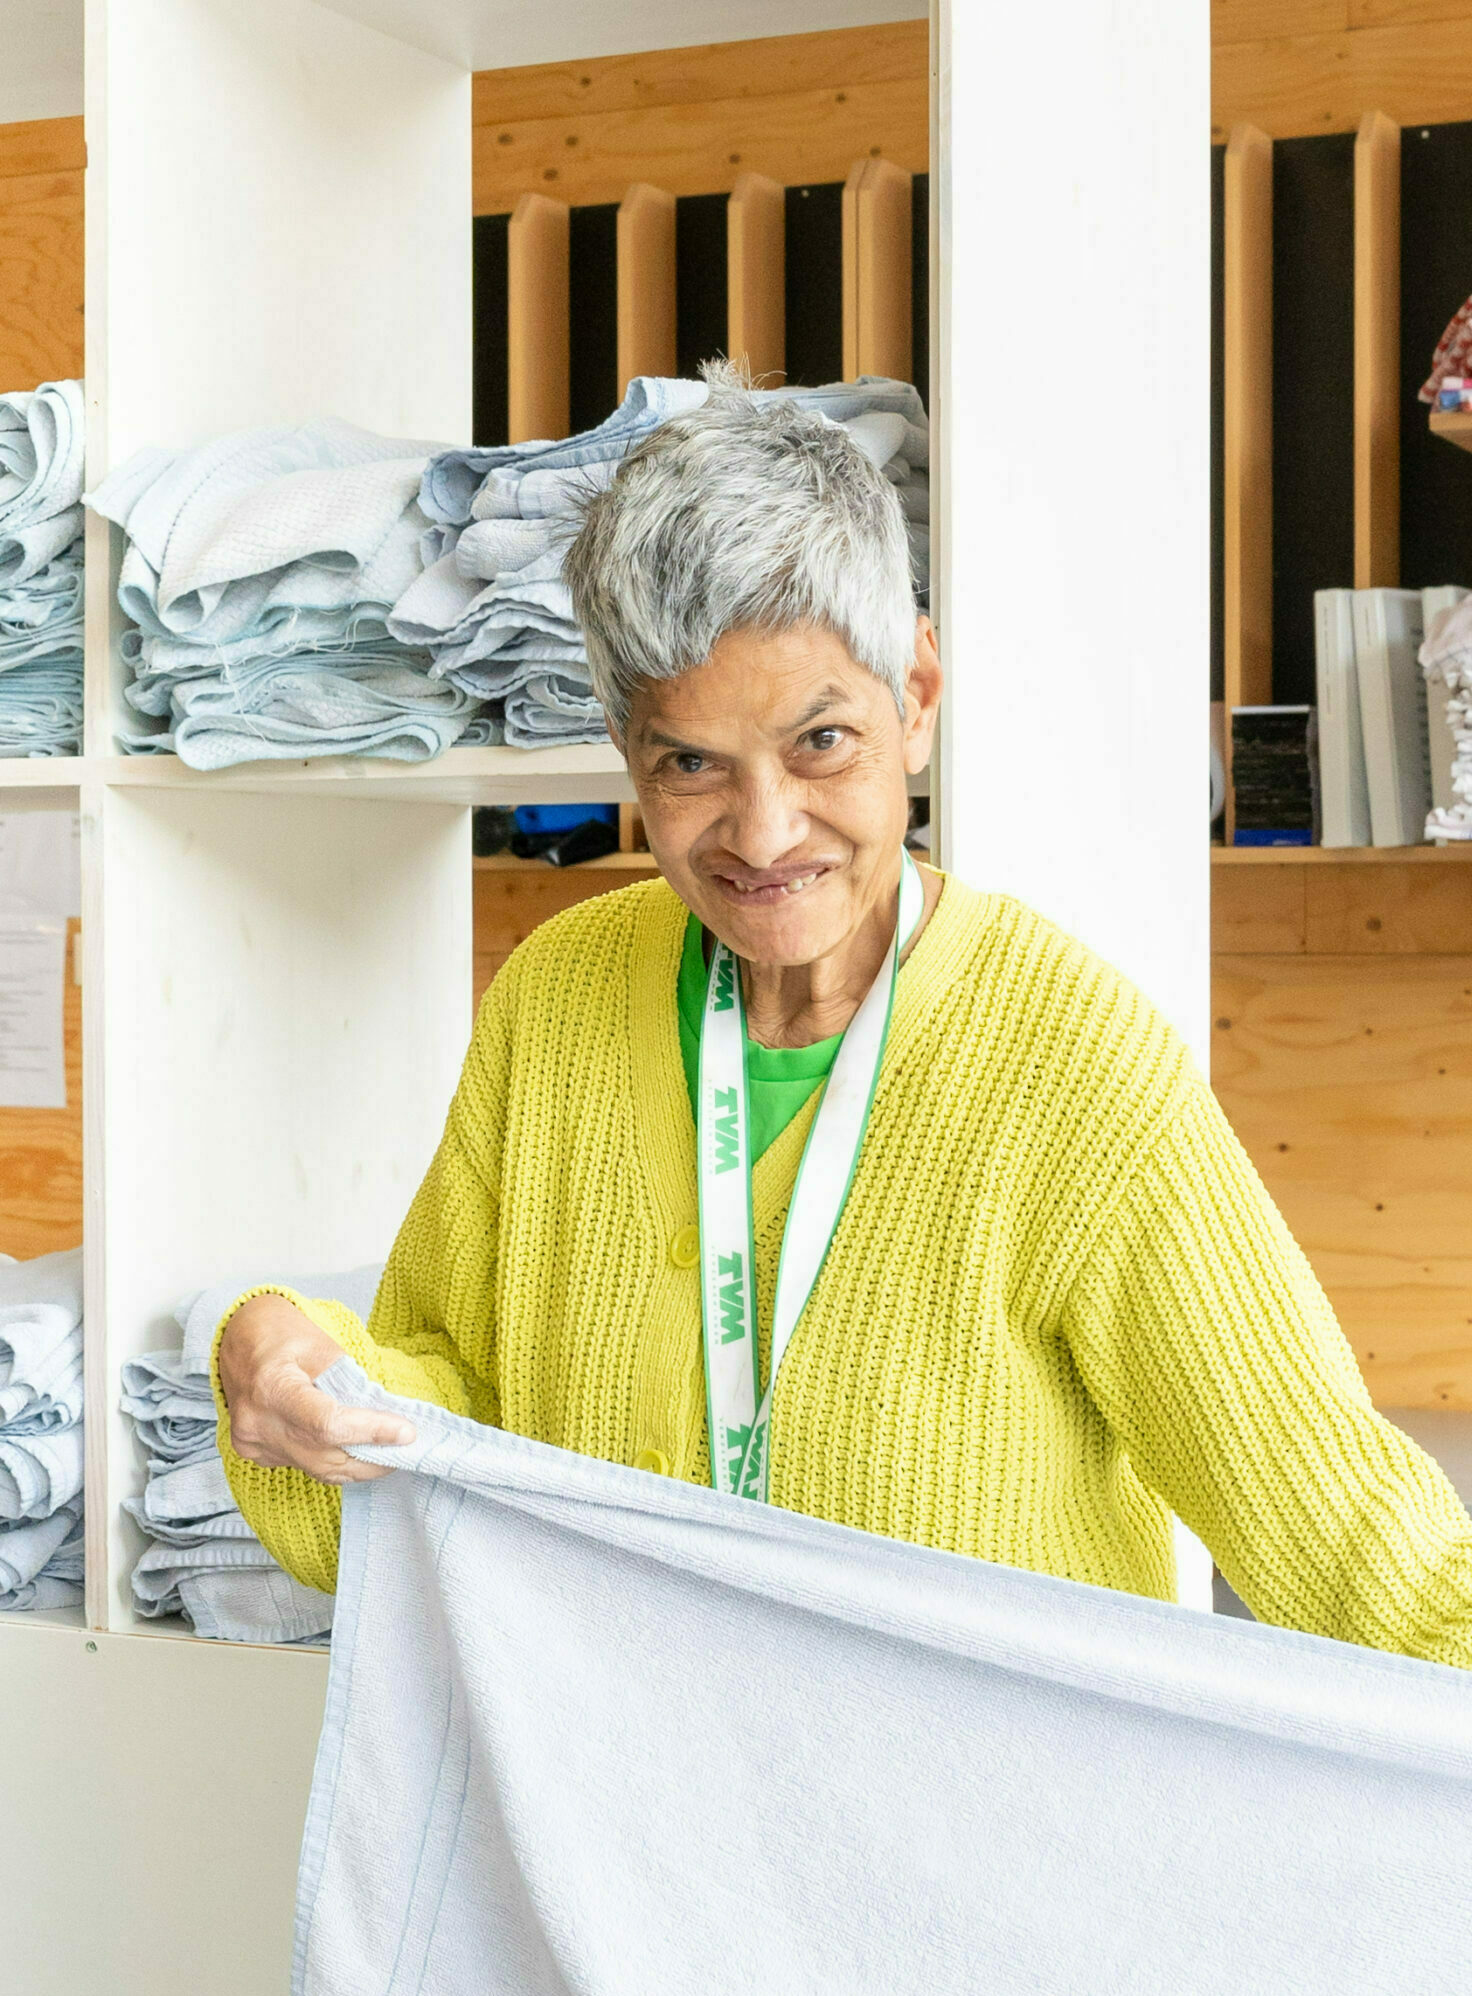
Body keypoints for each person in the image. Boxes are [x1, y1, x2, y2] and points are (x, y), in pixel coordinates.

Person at [215, 376, 1472, 1667]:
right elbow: (447, 1416)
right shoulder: (556, 1004)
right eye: (690, 764)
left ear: (915, 696)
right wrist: (301, 1370)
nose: (762, 835)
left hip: (967, 1865)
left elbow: (1350, 1537)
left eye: (819, 742)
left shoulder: (1074, 1066)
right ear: (624, 749)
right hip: (612, 1852)